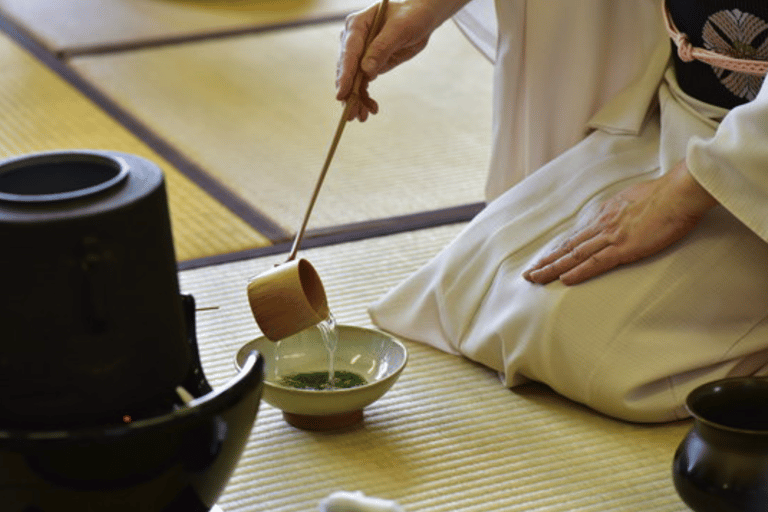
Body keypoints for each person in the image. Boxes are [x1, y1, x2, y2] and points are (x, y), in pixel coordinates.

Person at [336, 0, 768, 422]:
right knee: (465, 286)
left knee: (580, 340)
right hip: (678, 111)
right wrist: (428, 6)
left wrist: (684, 193)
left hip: (754, 158)